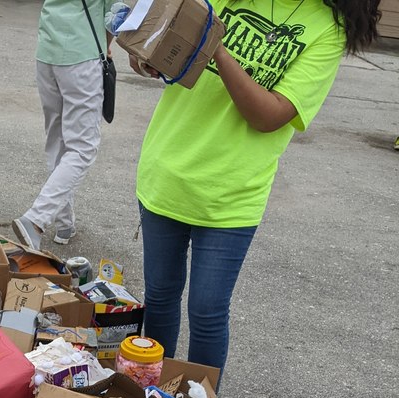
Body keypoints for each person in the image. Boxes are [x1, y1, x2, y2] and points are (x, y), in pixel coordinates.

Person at [130, 0, 380, 377]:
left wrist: (213, 46)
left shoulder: (328, 29)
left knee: (207, 309)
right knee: (160, 297)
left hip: (232, 194)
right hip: (166, 171)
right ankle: (151, 392)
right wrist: (148, 55)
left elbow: (269, 115)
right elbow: (161, 51)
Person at [12, 0, 113, 251]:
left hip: (48, 50)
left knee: (57, 140)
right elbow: (115, 13)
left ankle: (65, 223)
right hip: (82, 54)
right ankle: (36, 219)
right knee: (82, 148)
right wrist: (107, 44)